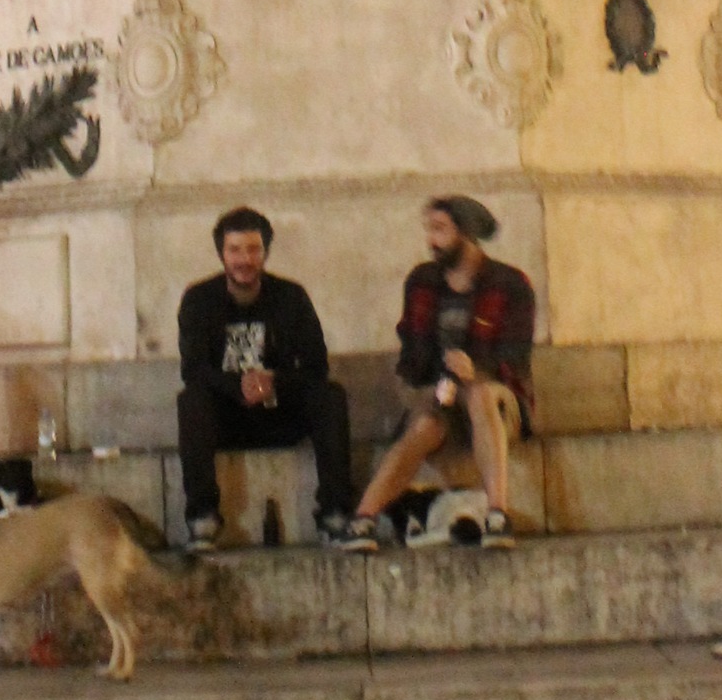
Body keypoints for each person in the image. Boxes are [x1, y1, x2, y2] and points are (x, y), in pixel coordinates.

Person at [347, 197, 534, 548]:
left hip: (496, 397)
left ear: (466, 233)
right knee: (425, 426)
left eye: (440, 230)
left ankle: (498, 514)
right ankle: (364, 518)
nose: (431, 240)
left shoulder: (509, 283)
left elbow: (517, 357)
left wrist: (476, 369)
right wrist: (425, 386)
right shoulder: (422, 281)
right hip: (441, 393)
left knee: (479, 393)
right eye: (429, 229)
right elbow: (411, 353)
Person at [174, 207, 356, 548]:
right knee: (191, 401)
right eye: (235, 250)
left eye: (253, 250)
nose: (245, 259)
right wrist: (236, 385)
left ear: (266, 252)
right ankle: (202, 519)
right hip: (226, 418)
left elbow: (317, 364)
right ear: (222, 254)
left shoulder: (291, 297)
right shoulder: (199, 300)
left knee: (330, 395)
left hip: (280, 412)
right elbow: (193, 369)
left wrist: (275, 382)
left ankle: (335, 514)